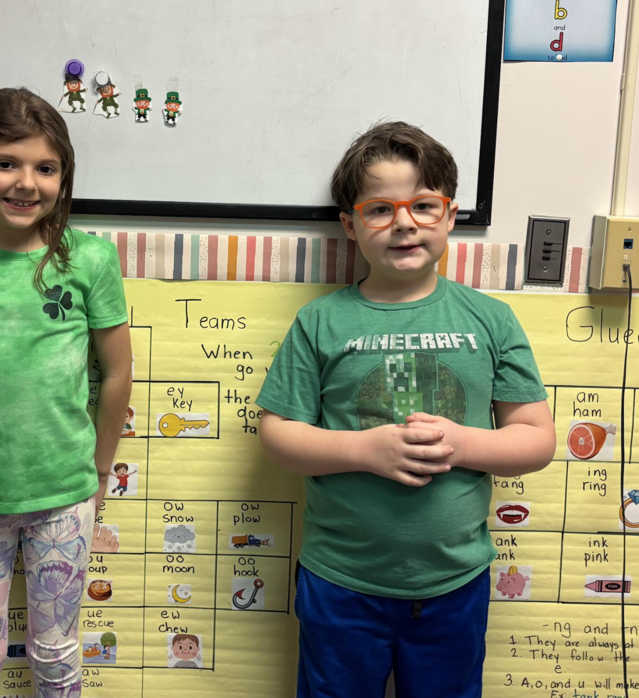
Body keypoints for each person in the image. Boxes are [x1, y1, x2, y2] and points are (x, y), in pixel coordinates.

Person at [255, 121, 556, 698]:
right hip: (340, 581)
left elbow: (535, 438)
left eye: (422, 205)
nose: (403, 223)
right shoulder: (321, 322)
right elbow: (277, 433)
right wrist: (365, 450)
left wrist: (463, 443)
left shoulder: (490, 321)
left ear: (449, 215)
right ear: (350, 225)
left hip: (453, 582)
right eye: (379, 209)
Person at [0, 86, 132, 698]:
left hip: (64, 494)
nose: (26, 182)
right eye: (5, 163)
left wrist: (97, 471)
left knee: (57, 654)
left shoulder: (87, 260)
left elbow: (117, 373)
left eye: (46, 167)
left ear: (64, 177)